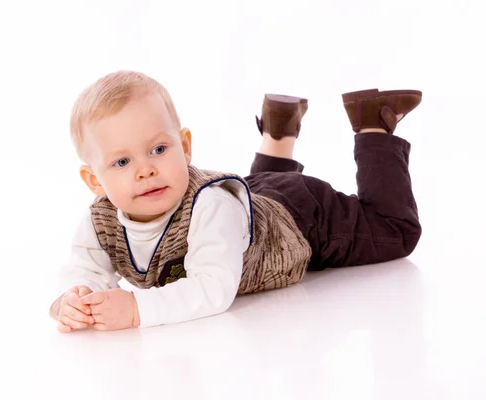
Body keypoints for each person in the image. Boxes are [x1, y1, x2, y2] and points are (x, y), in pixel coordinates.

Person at [49, 70, 422, 333]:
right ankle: (278, 132)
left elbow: (213, 287)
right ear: (94, 180)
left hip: (302, 219)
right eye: (122, 161)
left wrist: (135, 309)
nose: (145, 170)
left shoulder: (209, 206)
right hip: (253, 195)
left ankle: (373, 123)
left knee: (394, 232)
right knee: (253, 195)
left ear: (186, 147)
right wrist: (74, 299)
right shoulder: (101, 220)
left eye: (159, 149)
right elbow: (84, 268)